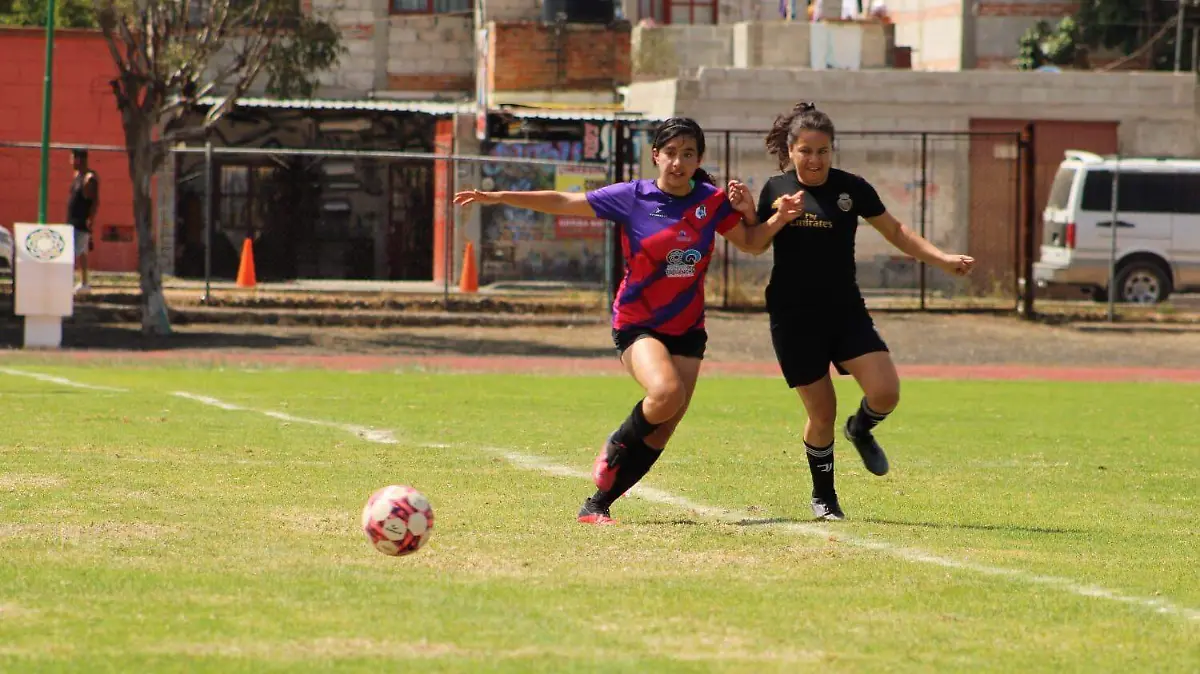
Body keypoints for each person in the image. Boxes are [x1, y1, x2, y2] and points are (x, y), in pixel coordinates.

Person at [454, 118, 771, 525]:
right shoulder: (632, 196)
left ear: (698, 159)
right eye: (671, 153)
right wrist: (499, 196)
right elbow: (564, 201)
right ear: (656, 155)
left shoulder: (711, 201)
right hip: (638, 323)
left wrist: (758, 214)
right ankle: (617, 443)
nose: (678, 162)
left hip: (688, 328)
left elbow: (753, 244)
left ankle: (597, 504)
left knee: (664, 425)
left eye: (688, 154)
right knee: (666, 392)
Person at [748, 102, 975, 521]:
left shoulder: (851, 189)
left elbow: (897, 231)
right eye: (805, 151)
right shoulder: (776, 189)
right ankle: (824, 497)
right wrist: (778, 217)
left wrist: (942, 259)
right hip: (793, 317)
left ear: (832, 150)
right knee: (822, 412)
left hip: (845, 310)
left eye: (822, 151)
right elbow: (754, 243)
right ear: (791, 150)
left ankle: (860, 429)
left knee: (886, 391)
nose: (814, 160)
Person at [67, 148, 100, 293]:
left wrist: (90, 220)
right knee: (81, 252)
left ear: (79, 159)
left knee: (77, 252)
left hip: (81, 221)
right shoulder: (77, 176)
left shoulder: (89, 178)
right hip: (72, 219)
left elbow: (94, 202)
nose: (71, 162)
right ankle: (83, 282)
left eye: (72, 159)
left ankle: (83, 283)